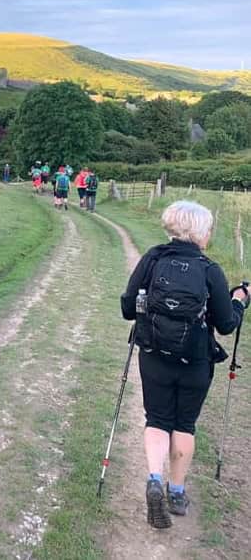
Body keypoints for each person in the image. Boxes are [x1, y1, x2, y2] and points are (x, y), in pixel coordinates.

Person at [120, 201, 248, 529]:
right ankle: (176, 492)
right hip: (195, 361)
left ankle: (153, 478)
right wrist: (239, 300)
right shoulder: (210, 270)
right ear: (200, 232)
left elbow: (127, 307)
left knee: (157, 419)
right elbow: (226, 325)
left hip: (153, 354)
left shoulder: (152, 258)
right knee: (184, 424)